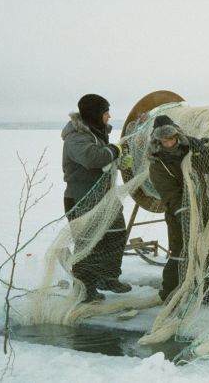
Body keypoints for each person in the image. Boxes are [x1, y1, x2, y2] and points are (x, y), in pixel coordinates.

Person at [61, 94, 131, 303]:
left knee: (115, 234)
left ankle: (108, 277)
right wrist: (115, 150)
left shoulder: (96, 133)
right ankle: (85, 289)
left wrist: (118, 161)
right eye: (105, 111)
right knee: (87, 245)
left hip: (105, 196)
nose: (109, 115)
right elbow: (92, 158)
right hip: (82, 198)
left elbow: (103, 159)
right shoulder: (76, 136)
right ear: (95, 113)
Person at [147, 115, 209, 302]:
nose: (169, 143)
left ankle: (207, 290)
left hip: (202, 206)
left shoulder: (188, 148)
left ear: (177, 134)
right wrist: (184, 215)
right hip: (179, 213)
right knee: (181, 251)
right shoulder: (157, 164)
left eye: (172, 138)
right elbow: (170, 194)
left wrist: (201, 151)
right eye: (164, 140)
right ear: (157, 140)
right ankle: (170, 293)